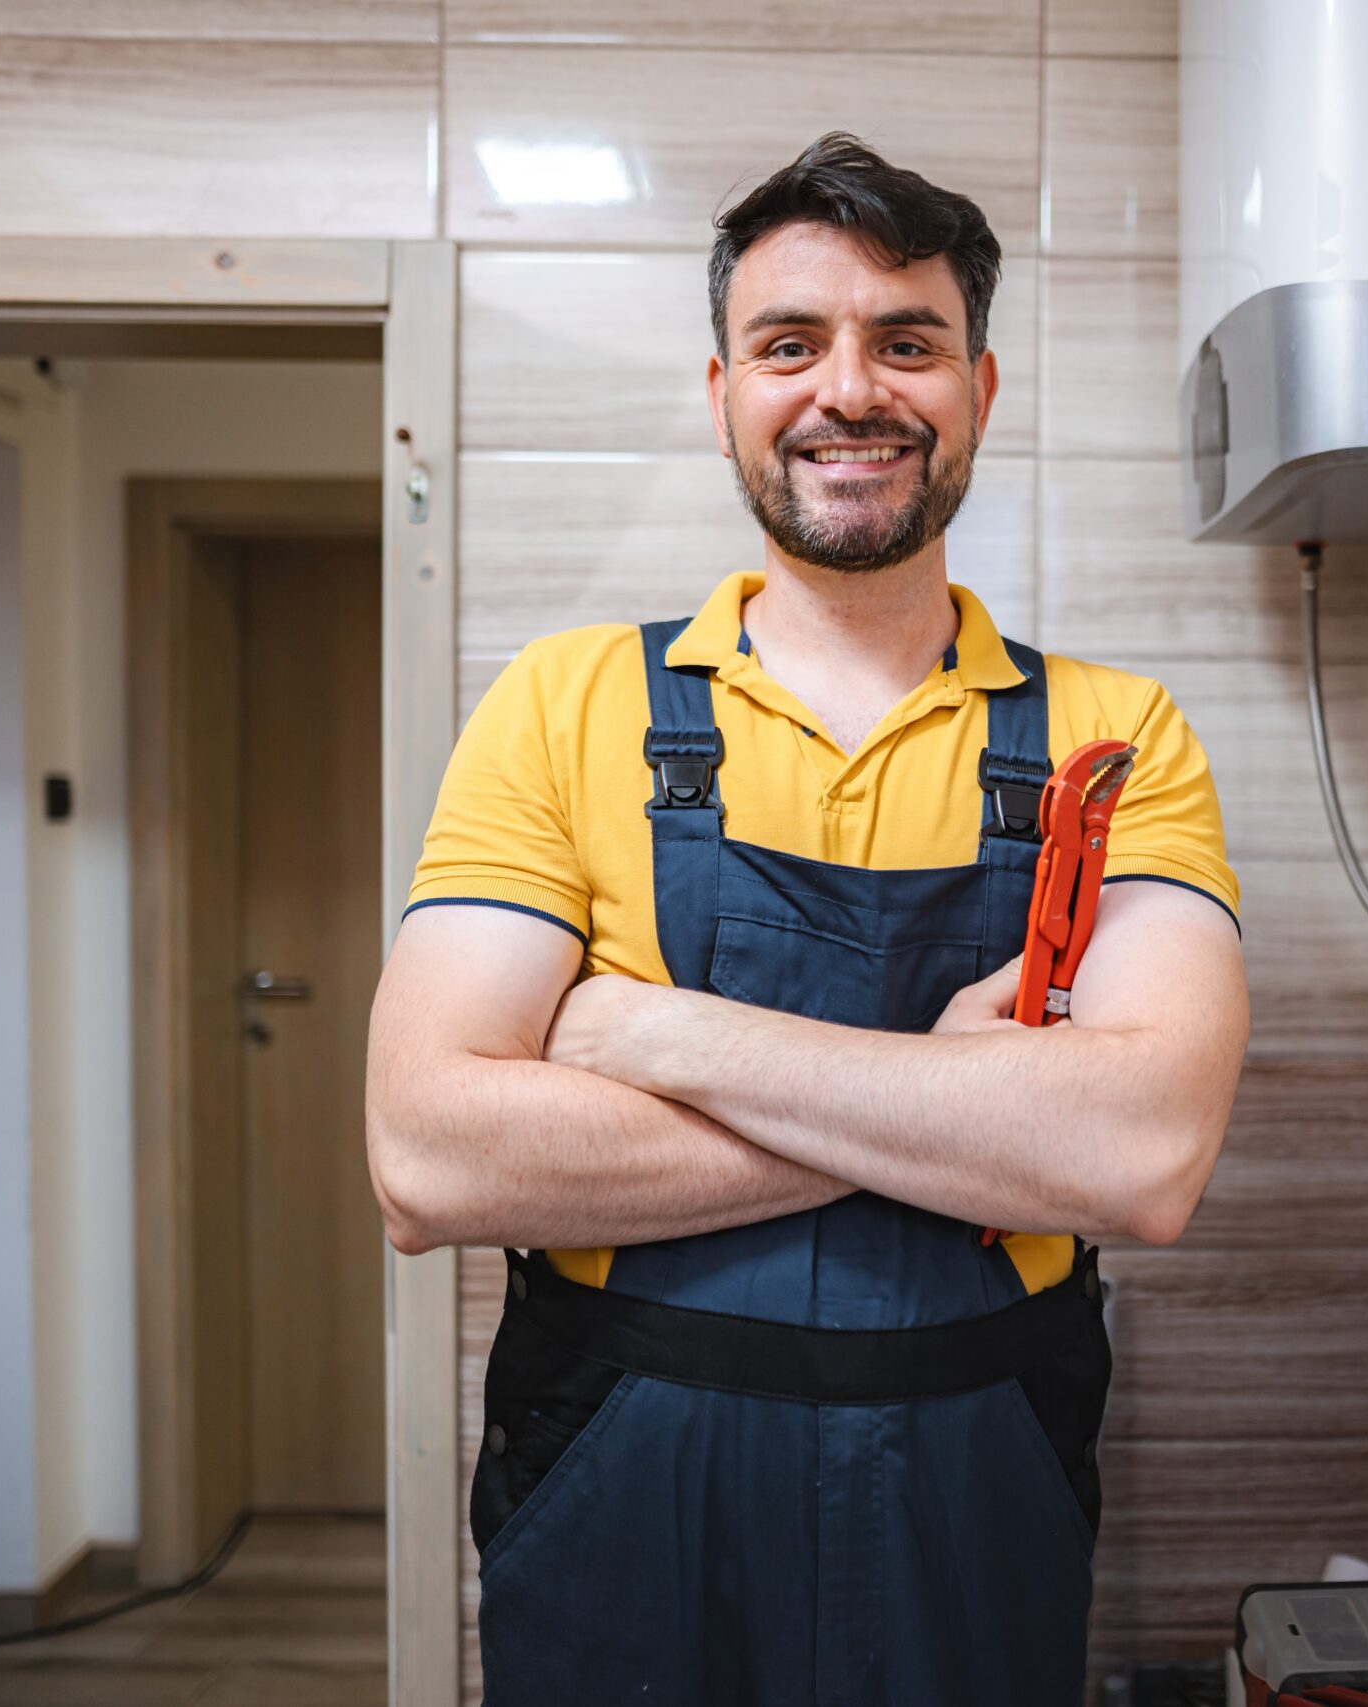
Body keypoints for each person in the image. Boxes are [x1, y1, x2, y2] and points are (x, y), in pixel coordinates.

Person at [365, 131, 1251, 1706]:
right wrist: (970, 1118)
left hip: (976, 1484)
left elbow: (1141, 1159)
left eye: (908, 342)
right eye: (792, 345)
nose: (852, 391)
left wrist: (657, 1033)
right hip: (623, 1485)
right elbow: (431, 1157)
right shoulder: (563, 707)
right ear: (723, 395)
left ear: (981, 388)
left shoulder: (1118, 741)